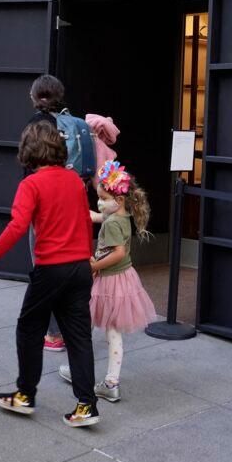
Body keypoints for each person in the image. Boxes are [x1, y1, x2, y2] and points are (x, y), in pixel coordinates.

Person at [0, 121, 100, 427]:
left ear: (28, 150)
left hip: (51, 268)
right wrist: (86, 259)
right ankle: (86, 406)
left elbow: (16, 226)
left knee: (29, 328)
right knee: (79, 337)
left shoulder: (31, 184)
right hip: (80, 267)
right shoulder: (75, 181)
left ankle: (25, 395)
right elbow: (82, 221)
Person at [59, 160, 156, 402]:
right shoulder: (121, 216)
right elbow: (101, 217)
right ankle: (106, 380)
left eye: (102, 198)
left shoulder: (113, 222)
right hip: (122, 281)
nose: (99, 203)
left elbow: (118, 253)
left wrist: (94, 265)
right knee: (105, 330)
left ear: (119, 200)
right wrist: (89, 214)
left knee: (89, 326)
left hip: (109, 282)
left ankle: (83, 371)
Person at [26, 74, 68, 354]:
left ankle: (53, 334)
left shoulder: (34, 127)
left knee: (43, 268)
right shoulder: (70, 123)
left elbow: (27, 166)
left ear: (34, 96)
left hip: (42, 205)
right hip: (70, 201)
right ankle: (69, 327)